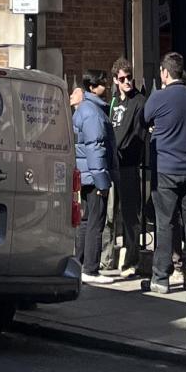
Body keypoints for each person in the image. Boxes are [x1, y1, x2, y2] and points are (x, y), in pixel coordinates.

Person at [143, 50, 186, 293]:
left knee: (165, 223)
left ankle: (161, 277)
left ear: (164, 73)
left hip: (166, 169)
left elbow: (144, 118)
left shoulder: (159, 97)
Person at [70, 70, 115, 279]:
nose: (107, 86)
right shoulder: (93, 113)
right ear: (92, 87)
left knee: (87, 220)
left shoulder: (85, 110)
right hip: (94, 174)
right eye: (102, 83)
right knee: (96, 221)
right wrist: (102, 182)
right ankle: (90, 267)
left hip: (86, 172)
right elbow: (95, 147)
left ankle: (79, 262)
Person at [108, 58, 147, 276]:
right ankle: (107, 257)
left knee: (131, 214)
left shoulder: (139, 101)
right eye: (122, 79)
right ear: (115, 80)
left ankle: (132, 260)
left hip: (129, 164)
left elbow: (137, 133)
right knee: (110, 213)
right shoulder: (114, 101)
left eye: (129, 77)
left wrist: (123, 148)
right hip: (112, 164)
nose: (127, 82)